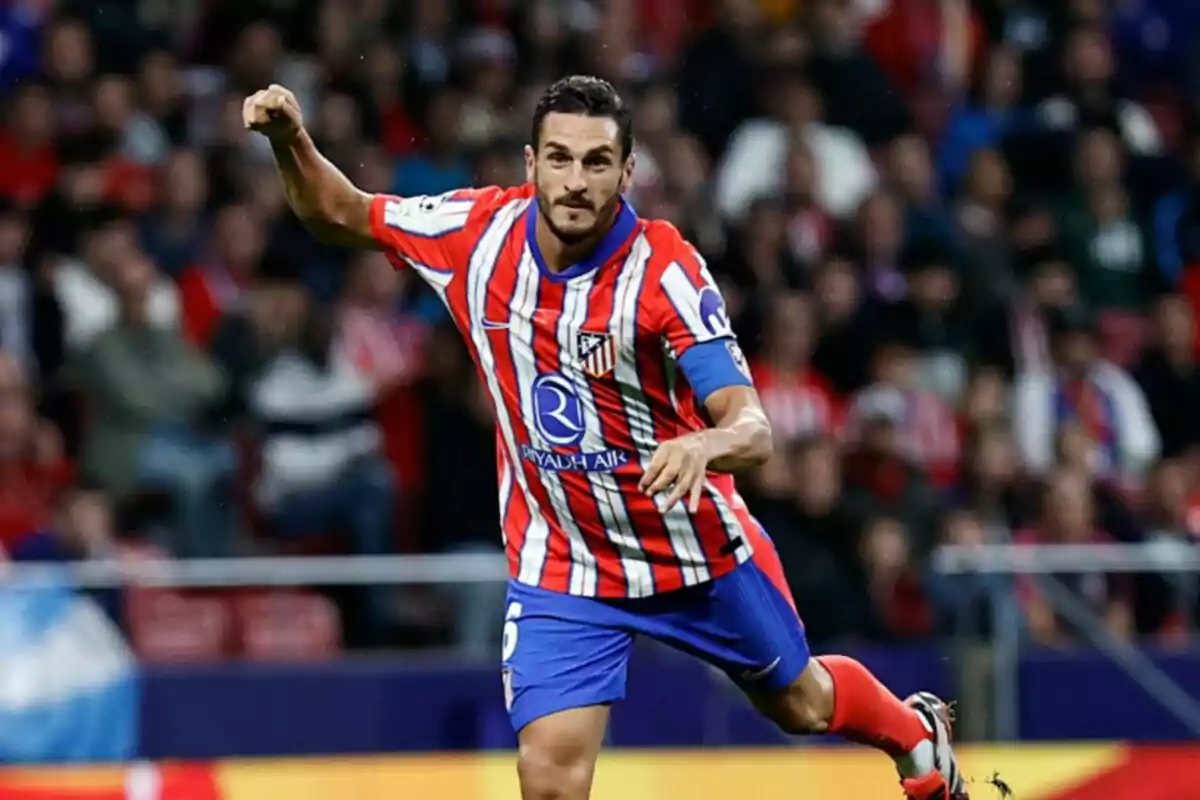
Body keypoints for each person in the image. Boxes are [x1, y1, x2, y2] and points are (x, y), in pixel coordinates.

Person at [243, 76, 968, 800]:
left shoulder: (665, 271)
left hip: (689, 550)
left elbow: (752, 427)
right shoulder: (476, 237)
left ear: (627, 173)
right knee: (550, 776)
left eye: (597, 163)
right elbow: (341, 212)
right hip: (565, 560)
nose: (576, 181)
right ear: (530, 165)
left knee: (801, 703)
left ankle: (912, 734)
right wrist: (290, 141)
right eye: (559, 158)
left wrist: (703, 446)